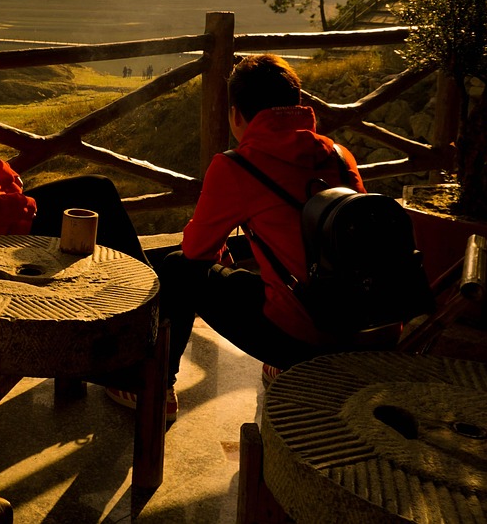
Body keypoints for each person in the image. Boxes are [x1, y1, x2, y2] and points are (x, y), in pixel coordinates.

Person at [156, 53, 368, 400]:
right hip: (369, 327)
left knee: (178, 268)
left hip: (306, 338)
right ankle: (290, 366)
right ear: (298, 104)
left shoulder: (236, 166)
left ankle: (154, 389)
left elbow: (196, 251)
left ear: (236, 115)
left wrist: (217, 251)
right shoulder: (340, 156)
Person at [0, 16, 146, 263]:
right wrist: (17, 206)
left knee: (97, 191)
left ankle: (134, 275)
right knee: (99, 193)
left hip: (7, 213)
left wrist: (9, 179)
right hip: (5, 229)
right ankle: (146, 278)